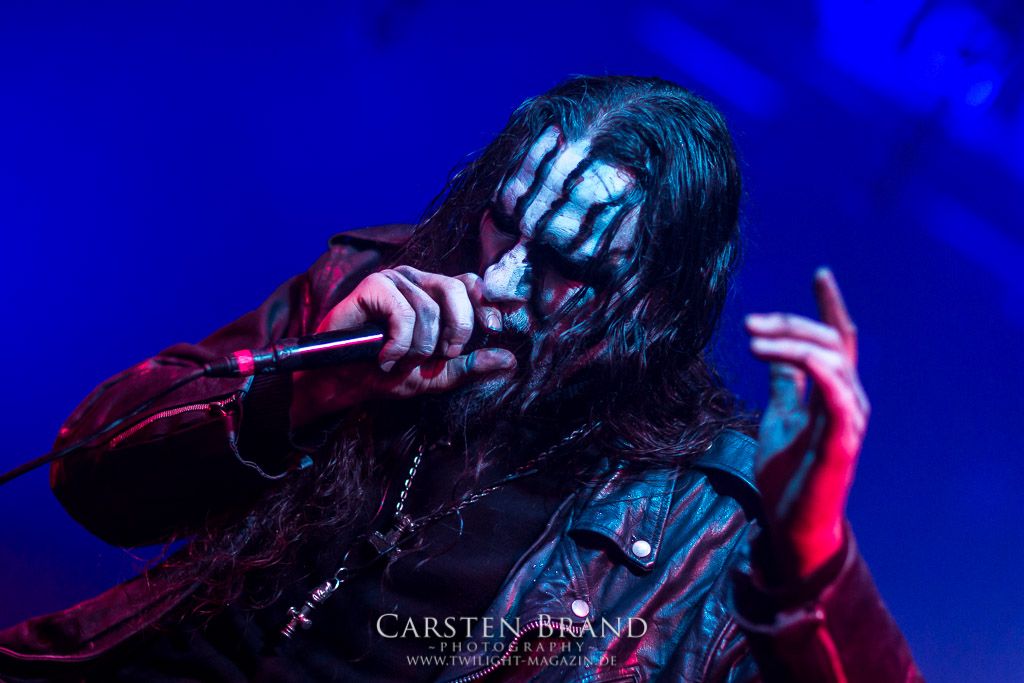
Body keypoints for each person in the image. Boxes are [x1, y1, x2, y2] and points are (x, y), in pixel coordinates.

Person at [0, 75, 921, 681]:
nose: (502, 280)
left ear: (658, 305)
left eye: (566, 264)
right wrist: (306, 390)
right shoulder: (374, 285)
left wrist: (811, 557)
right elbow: (87, 475)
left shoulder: (700, 513)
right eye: (503, 223)